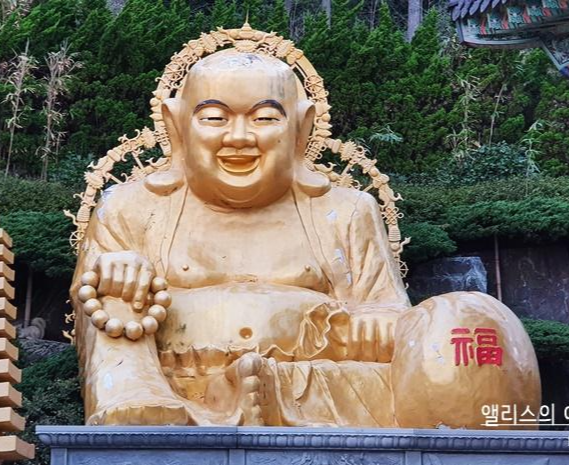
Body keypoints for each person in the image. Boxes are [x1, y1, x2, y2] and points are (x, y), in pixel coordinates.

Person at [70, 49, 540, 428]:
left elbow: (389, 316)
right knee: (109, 290)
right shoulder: (130, 207)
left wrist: (353, 325)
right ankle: (142, 402)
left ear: (302, 126)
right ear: (176, 124)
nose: (240, 137)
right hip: (175, 385)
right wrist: (120, 274)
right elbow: (93, 320)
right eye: (214, 118)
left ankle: (270, 393)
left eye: (264, 119)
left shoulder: (347, 211)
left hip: (316, 380)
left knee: (460, 320)